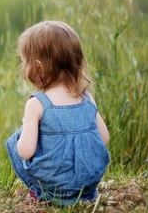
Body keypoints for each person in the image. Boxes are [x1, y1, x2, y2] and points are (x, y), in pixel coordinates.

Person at [6, 20, 110, 205]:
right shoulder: (87, 98)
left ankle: (40, 193)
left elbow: (25, 151)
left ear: (38, 67)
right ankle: (81, 194)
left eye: (25, 63)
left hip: (54, 187)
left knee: (15, 141)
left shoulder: (37, 103)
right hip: (87, 185)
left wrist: (26, 128)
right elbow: (104, 138)